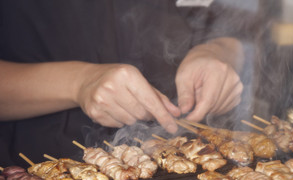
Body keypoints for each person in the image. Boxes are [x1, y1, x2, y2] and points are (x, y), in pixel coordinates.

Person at [0, 1, 244, 167]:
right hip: (32, 172)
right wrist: (79, 82)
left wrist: (216, 53)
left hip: (168, 164)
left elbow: (225, 28)